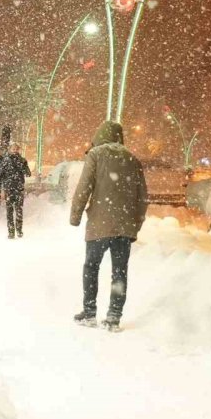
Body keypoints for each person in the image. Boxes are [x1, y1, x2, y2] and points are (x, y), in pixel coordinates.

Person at [69, 121, 148, 331]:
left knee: (91, 266)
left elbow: (83, 188)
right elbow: (142, 199)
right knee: (119, 271)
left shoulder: (95, 155)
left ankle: (89, 311)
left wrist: (75, 216)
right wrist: (136, 224)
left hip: (99, 225)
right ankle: (114, 316)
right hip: (124, 227)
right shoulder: (133, 160)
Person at [1, 143, 31, 238]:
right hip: (9, 189)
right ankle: (11, 232)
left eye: (16, 149)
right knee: (9, 211)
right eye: (12, 149)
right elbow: (0, 174)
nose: (14, 150)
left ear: (18, 150)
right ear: (10, 149)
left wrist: (24, 169)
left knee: (19, 210)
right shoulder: (5, 160)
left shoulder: (22, 160)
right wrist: (2, 184)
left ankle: (19, 230)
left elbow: (28, 173)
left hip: (19, 189)